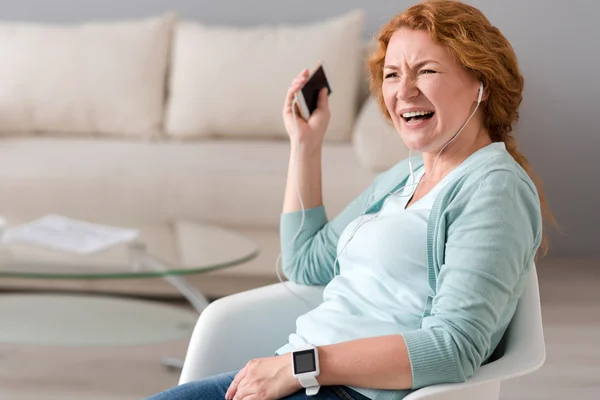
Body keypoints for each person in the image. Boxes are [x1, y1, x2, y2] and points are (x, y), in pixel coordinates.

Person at [147, 1, 556, 399]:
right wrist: (306, 145)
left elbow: (453, 348)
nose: (404, 91)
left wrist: (300, 365)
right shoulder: (405, 175)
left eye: (426, 71)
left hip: (344, 389)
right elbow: (304, 262)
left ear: (481, 84)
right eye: (392, 75)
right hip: (297, 375)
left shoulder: (495, 188)